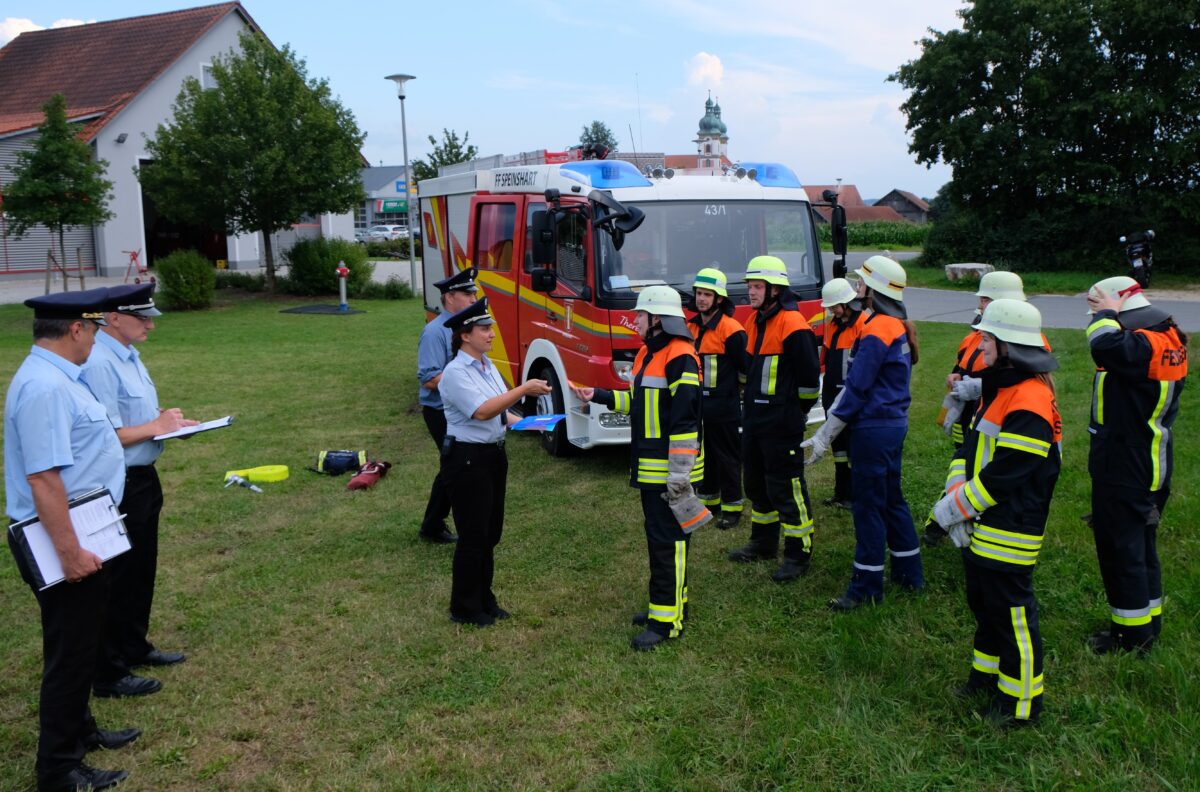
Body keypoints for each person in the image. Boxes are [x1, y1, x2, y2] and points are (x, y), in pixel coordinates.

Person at [5, 289, 138, 792]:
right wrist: (69, 552)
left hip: (84, 530)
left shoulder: (60, 378)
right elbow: (43, 479)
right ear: (77, 329)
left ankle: (81, 731)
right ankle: (58, 768)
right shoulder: (45, 387)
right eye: (95, 329)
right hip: (59, 539)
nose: (96, 339)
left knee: (81, 645)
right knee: (70, 653)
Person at [929, 299, 1061, 727]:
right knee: (985, 606)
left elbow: (1008, 474)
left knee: (1012, 616)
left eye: (987, 338)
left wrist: (956, 507)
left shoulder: (1030, 399)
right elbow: (969, 450)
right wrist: (956, 496)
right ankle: (986, 678)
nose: (979, 345)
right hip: (983, 518)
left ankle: (1021, 705)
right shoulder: (998, 387)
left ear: (1008, 346)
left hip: (1011, 525)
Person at [572, 286, 710, 650]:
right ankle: (663, 608)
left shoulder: (681, 356)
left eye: (639, 315)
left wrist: (679, 476)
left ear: (658, 320)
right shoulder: (650, 353)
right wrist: (598, 396)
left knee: (669, 545)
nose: (633, 320)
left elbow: (685, 421)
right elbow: (637, 401)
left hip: (670, 472)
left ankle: (667, 624)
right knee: (662, 542)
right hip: (652, 471)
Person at [80, 283, 195, 699]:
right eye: (141, 317)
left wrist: (168, 423)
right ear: (112, 319)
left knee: (141, 568)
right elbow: (104, 434)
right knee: (117, 576)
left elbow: (141, 420)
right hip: (118, 482)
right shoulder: (98, 362)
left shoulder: (129, 356)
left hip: (143, 478)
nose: (149, 323)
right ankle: (108, 669)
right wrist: (155, 427)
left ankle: (133, 645)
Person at [803, 255, 923, 610]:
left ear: (874, 290)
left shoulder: (876, 329)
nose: (857, 288)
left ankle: (866, 586)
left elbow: (856, 388)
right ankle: (908, 572)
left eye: (861, 283)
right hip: (892, 426)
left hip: (873, 429)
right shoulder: (895, 325)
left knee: (868, 507)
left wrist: (825, 434)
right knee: (892, 499)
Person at [1084, 276, 1187, 654]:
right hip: (1153, 461)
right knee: (1141, 549)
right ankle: (1149, 622)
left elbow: (1103, 344)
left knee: (1121, 551)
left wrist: (1106, 313)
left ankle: (1131, 638)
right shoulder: (1168, 337)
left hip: (1125, 466)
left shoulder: (1137, 346)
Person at [438, 297, 553, 626]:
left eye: (490, 327)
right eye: (484, 328)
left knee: (490, 533)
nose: (491, 333)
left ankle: (484, 598)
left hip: (492, 456)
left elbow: (501, 415)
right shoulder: (456, 373)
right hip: (467, 459)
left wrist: (536, 423)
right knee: (473, 535)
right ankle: (464, 607)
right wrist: (523, 388)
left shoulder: (487, 367)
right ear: (465, 335)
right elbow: (483, 410)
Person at [727, 256, 821, 583]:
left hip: (782, 424)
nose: (750, 292)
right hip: (754, 420)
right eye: (750, 286)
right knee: (756, 484)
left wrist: (797, 415)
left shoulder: (794, 325)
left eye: (756, 286)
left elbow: (810, 383)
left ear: (774, 290)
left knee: (786, 488)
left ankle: (798, 554)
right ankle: (763, 543)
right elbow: (751, 371)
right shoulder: (754, 322)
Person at [924, 271, 1028, 546]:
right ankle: (943, 518)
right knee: (960, 466)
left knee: (977, 471)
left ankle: (944, 521)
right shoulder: (975, 335)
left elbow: (1017, 381)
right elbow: (962, 365)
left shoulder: (1023, 338)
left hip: (994, 419)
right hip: (969, 416)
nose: (980, 305)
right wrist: (955, 377)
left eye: (984, 299)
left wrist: (978, 387)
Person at [415, 267, 479, 544]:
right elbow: (429, 378)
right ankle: (433, 525)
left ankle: (432, 524)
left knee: (454, 466)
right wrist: (465, 389)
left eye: (474, 293)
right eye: (467, 294)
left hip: (460, 409)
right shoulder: (434, 332)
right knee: (454, 466)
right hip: (440, 411)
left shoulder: (465, 328)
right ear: (450, 297)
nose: (473, 299)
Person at [687, 268, 748, 530]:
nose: (701, 299)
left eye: (707, 294)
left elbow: (745, 369)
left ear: (719, 298)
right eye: (699, 293)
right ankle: (708, 502)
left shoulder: (731, 329)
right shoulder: (689, 326)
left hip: (724, 406)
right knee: (705, 457)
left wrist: (737, 394)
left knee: (727, 457)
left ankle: (733, 508)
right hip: (699, 406)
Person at [816, 278, 866, 509]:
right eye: (830, 307)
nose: (832, 310)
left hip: (851, 392)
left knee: (855, 445)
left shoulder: (863, 323)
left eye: (835, 306)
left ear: (848, 303)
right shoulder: (832, 324)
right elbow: (825, 355)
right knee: (837, 445)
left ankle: (855, 494)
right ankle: (841, 492)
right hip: (831, 391)